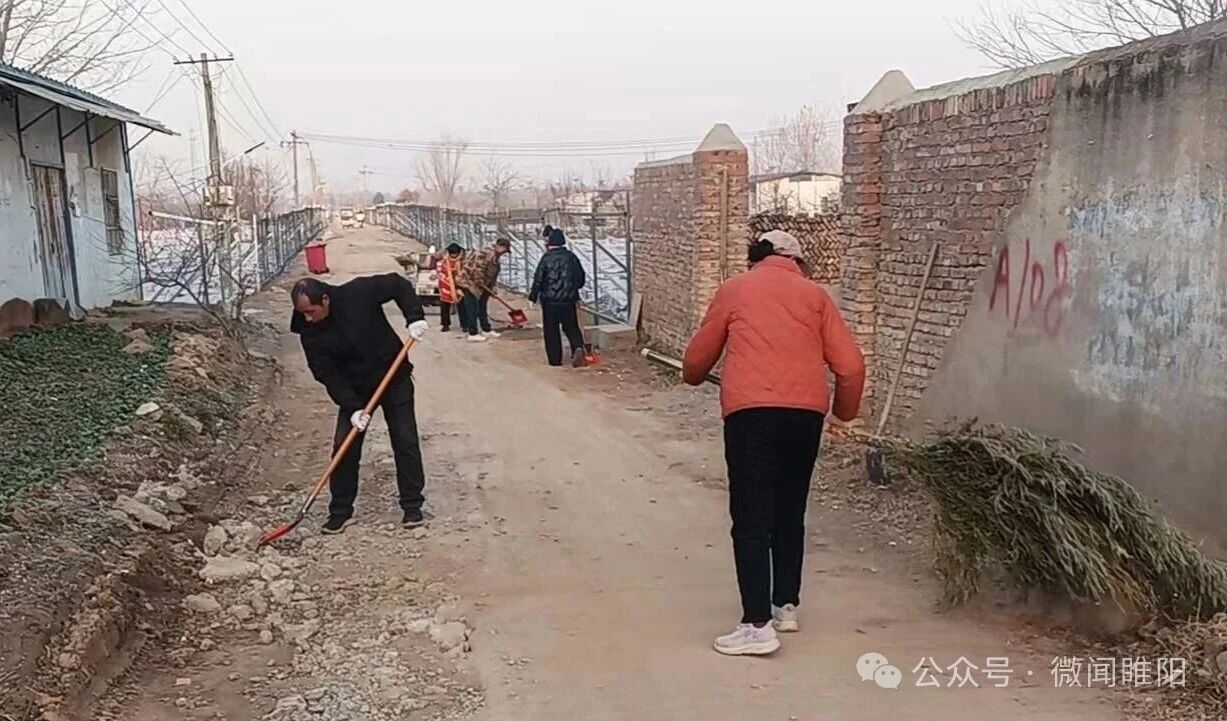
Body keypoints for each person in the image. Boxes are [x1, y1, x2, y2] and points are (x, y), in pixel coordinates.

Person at [682, 230, 865, 656]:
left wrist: (691, 376)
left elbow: (697, 358)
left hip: (751, 414)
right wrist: (845, 413)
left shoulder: (736, 289)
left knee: (751, 515)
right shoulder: (816, 297)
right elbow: (851, 366)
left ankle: (756, 625)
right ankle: (785, 605)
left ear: (755, 257)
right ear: (797, 261)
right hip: (805, 417)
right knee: (789, 508)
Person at [290, 274, 431, 534]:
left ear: (325, 299)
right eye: (303, 314)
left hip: (393, 377)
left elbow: (398, 284)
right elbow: (325, 373)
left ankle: (412, 507)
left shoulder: (358, 293)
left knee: (405, 439)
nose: (308, 318)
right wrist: (353, 406)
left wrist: (415, 317)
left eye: (311, 311)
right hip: (354, 390)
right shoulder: (308, 330)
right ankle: (340, 511)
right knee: (344, 445)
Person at [529, 227, 588, 367]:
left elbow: (538, 278)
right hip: (568, 300)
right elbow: (581, 277)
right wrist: (574, 289)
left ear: (550, 242)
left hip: (550, 302)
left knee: (551, 330)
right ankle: (577, 348)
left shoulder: (546, 258)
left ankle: (555, 360)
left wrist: (533, 297)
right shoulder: (572, 257)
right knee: (571, 327)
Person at [456, 238, 512, 342]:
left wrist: (492, 288)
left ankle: (486, 329)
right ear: (500, 246)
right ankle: (472, 332)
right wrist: (481, 283)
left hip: (482, 284)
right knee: (473, 307)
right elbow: (478, 270)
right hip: (468, 282)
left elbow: (493, 275)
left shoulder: (496, 257)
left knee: (482, 305)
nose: (504, 253)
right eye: (504, 250)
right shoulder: (484, 253)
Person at [430, 243, 469, 333]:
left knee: (462, 306)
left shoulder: (464, 259)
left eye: (455, 254)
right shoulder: (443, 257)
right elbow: (434, 259)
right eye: (452, 254)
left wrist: (460, 284)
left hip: (459, 283)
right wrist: (433, 270)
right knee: (444, 305)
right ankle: (445, 324)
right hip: (445, 284)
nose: (454, 256)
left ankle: (465, 325)